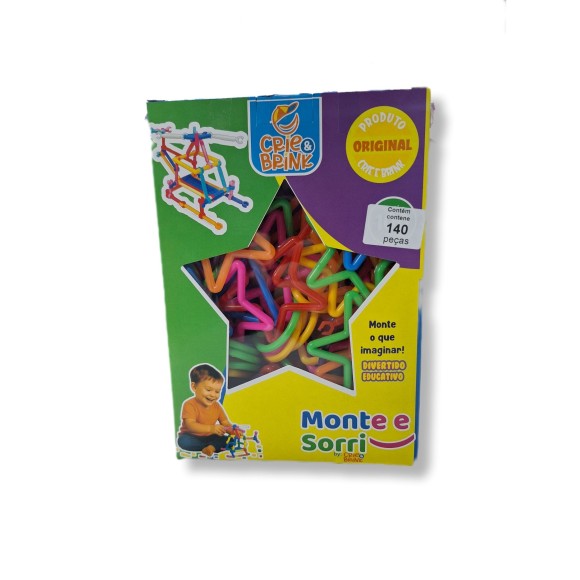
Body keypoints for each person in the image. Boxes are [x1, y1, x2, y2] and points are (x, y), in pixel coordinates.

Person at [176, 364, 232, 456]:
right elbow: (190, 425)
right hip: (191, 436)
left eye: (217, 391)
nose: (213, 395)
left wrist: (232, 430)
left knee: (229, 440)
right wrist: (211, 428)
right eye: (208, 390)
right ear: (194, 387)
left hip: (209, 436)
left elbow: (225, 422)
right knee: (183, 441)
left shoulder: (217, 406)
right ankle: (212, 447)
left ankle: (211, 447)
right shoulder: (189, 404)